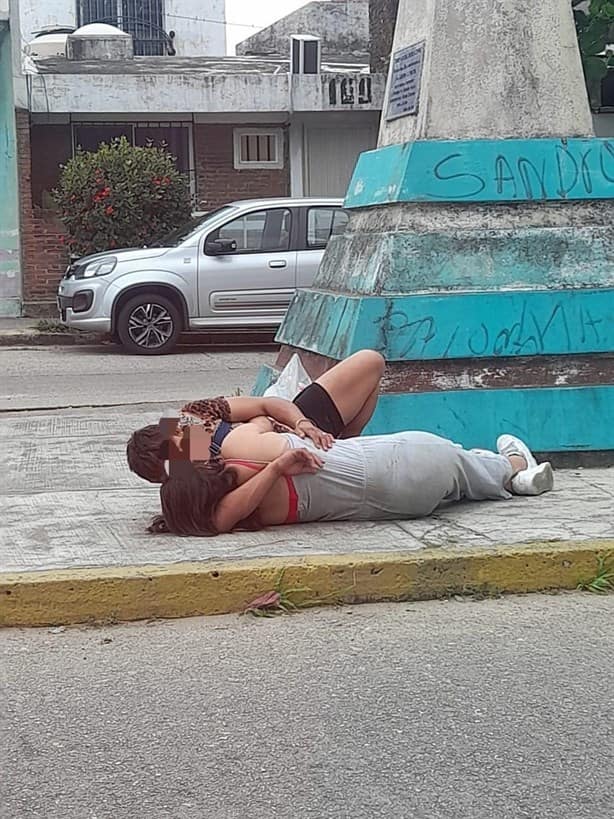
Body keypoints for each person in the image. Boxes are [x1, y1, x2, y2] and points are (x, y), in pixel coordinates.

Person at [149, 426, 554, 537]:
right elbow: (190, 427)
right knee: (453, 459)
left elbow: (217, 520)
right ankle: (514, 467)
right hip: (390, 458)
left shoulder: (251, 512)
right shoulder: (240, 450)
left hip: (396, 507)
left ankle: (505, 476)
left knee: (458, 479)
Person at [126, 350, 385, 484]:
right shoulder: (197, 479)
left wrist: (302, 423)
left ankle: (347, 443)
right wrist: (258, 425)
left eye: (179, 430)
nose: (184, 431)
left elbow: (266, 403)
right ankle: (343, 453)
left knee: (370, 362)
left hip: (300, 426)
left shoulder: (194, 415)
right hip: (288, 464)